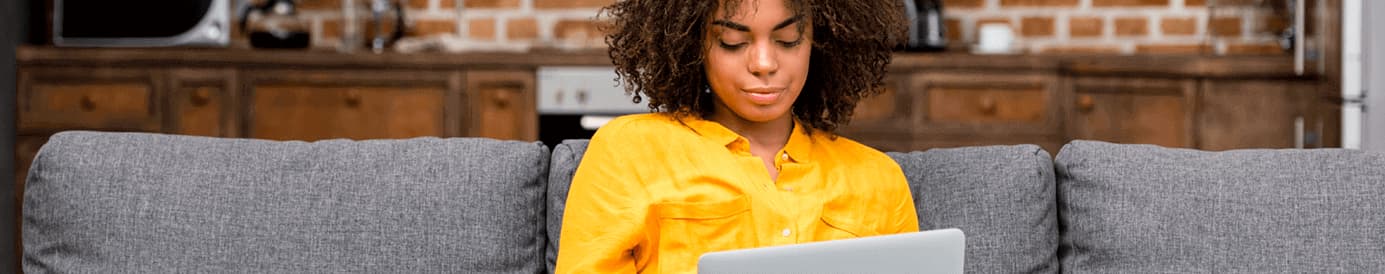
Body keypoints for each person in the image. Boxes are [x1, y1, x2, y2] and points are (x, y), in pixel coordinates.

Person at [555, 0, 916, 272]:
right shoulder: (629, 150)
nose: (763, 63)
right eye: (731, 41)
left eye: (788, 40)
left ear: (821, 42)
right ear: (693, 45)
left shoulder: (879, 179)